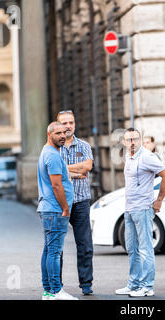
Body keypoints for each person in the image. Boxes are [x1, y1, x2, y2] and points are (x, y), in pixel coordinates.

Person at [115, 128, 165, 297]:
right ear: (124, 142)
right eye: (129, 139)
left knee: (145, 249)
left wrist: (159, 200)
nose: (132, 142)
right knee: (132, 249)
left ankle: (147, 286)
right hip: (129, 209)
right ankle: (134, 284)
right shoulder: (128, 156)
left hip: (143, 209)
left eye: (135, 139)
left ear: (139, 140)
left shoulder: (147, 157)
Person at [37, 122, 77, 300]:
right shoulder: (52, 155)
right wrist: (66, 208)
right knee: (54, 252)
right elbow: (56, 184)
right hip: (55, 210)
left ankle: (48, 291)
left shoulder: (48, 152)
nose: (63, 135)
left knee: (48, 250)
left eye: (64, 132)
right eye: (58, 133)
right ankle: (55, 290)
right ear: (49, 134)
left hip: (50, 209)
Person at [56, 110, 94, 295]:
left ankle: (86, 284)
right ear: (58, 125)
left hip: (81, 201)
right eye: (64, 123)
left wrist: (63, 169)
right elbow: (53, 172)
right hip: (60, 202)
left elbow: (88, 166)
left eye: (71, 122)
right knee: (57, 247)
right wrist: (74, 170)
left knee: (85, 244)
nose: (68, 126)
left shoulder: (84, 145)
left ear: (75, 124)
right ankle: (57, 285)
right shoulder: (54, 147)